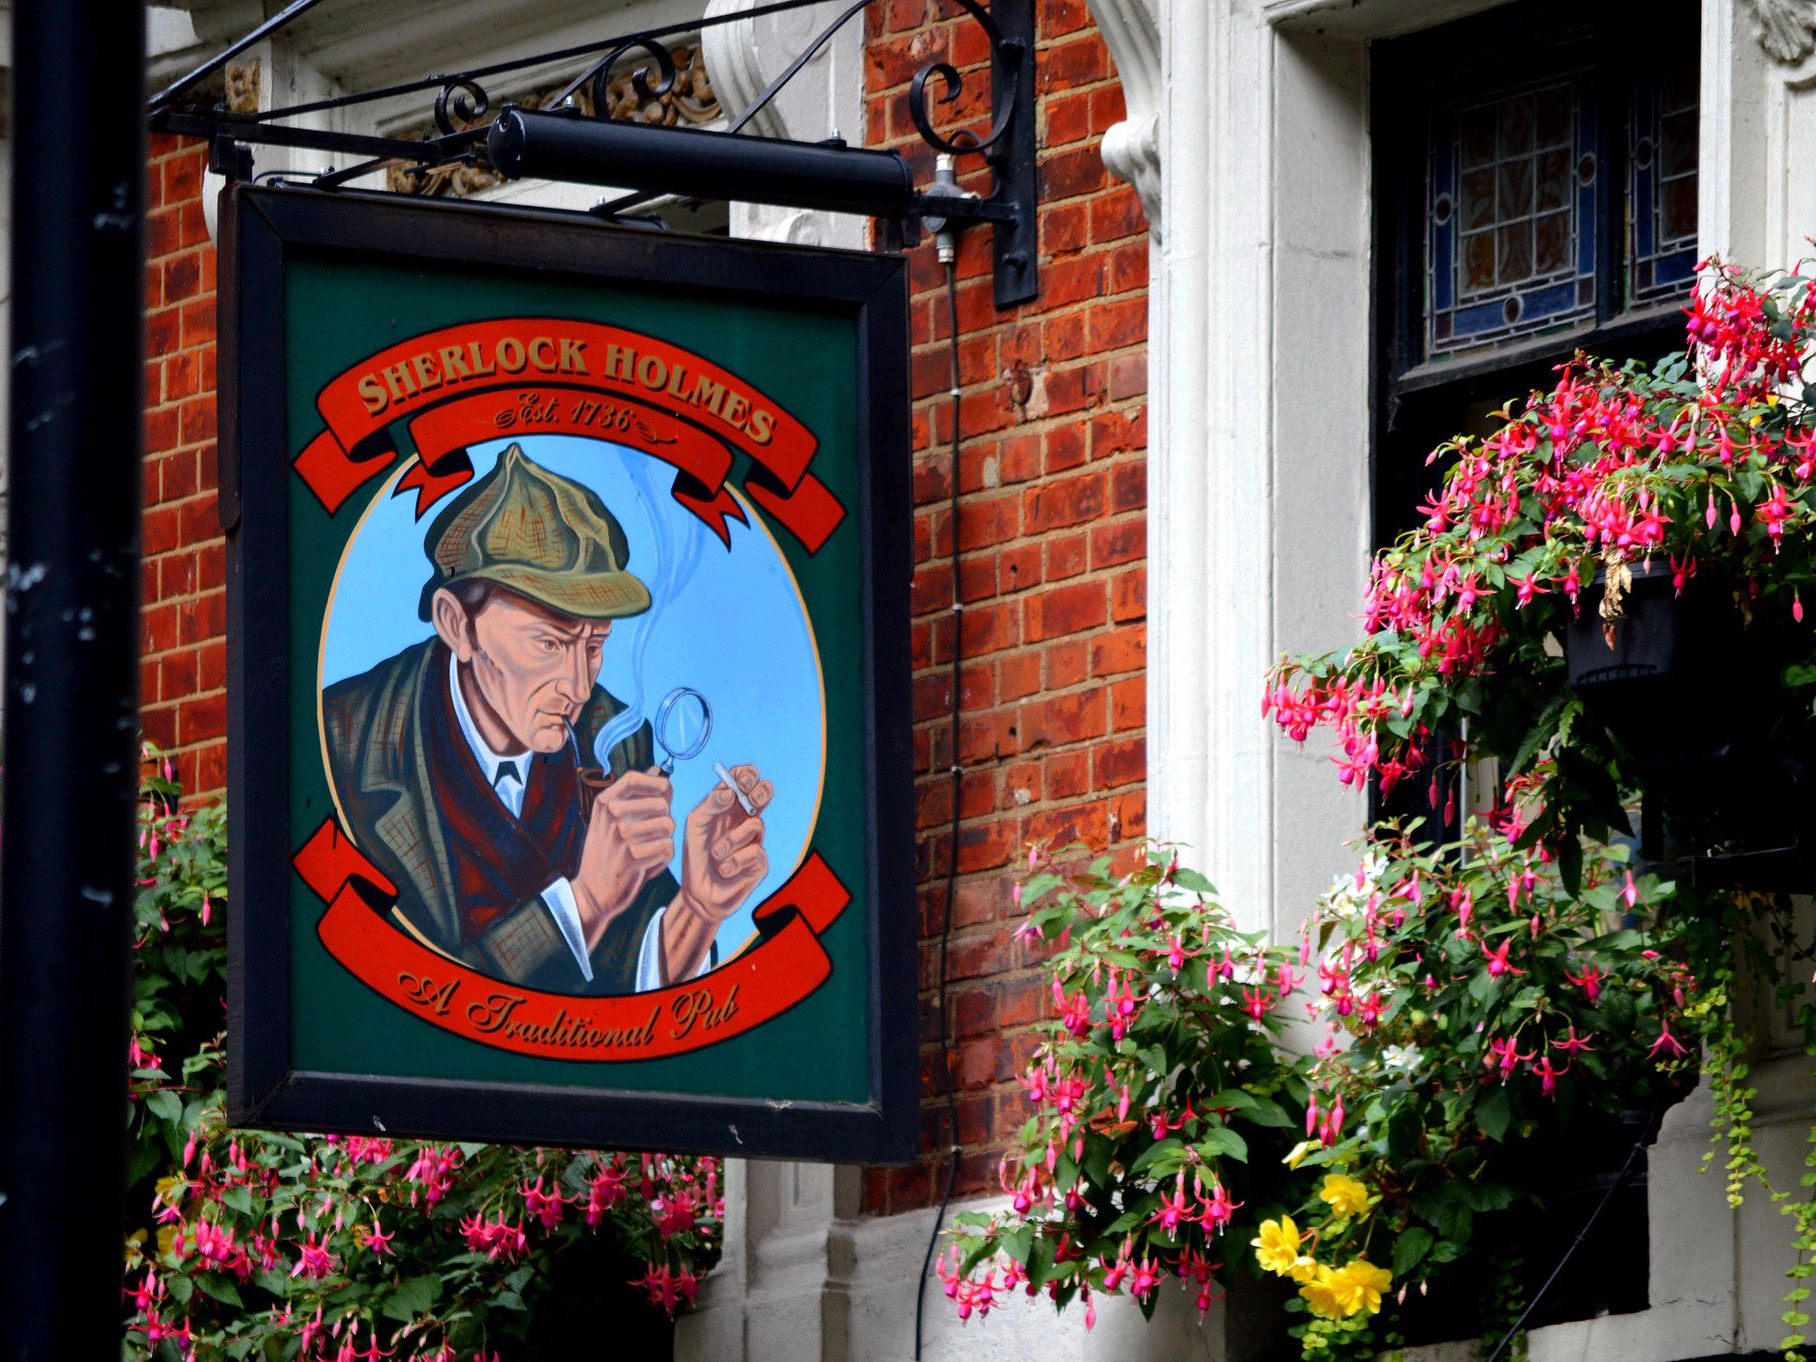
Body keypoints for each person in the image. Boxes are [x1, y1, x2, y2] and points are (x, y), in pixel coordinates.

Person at [322, 443, 771, 996]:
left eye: (595, 645)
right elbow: (413, 993)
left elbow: (629, 982)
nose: (579, 688)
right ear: (457, 626)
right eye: (549, 643)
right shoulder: (344, 743)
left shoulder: (615, 737)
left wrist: (699, 908)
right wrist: (585, 901)